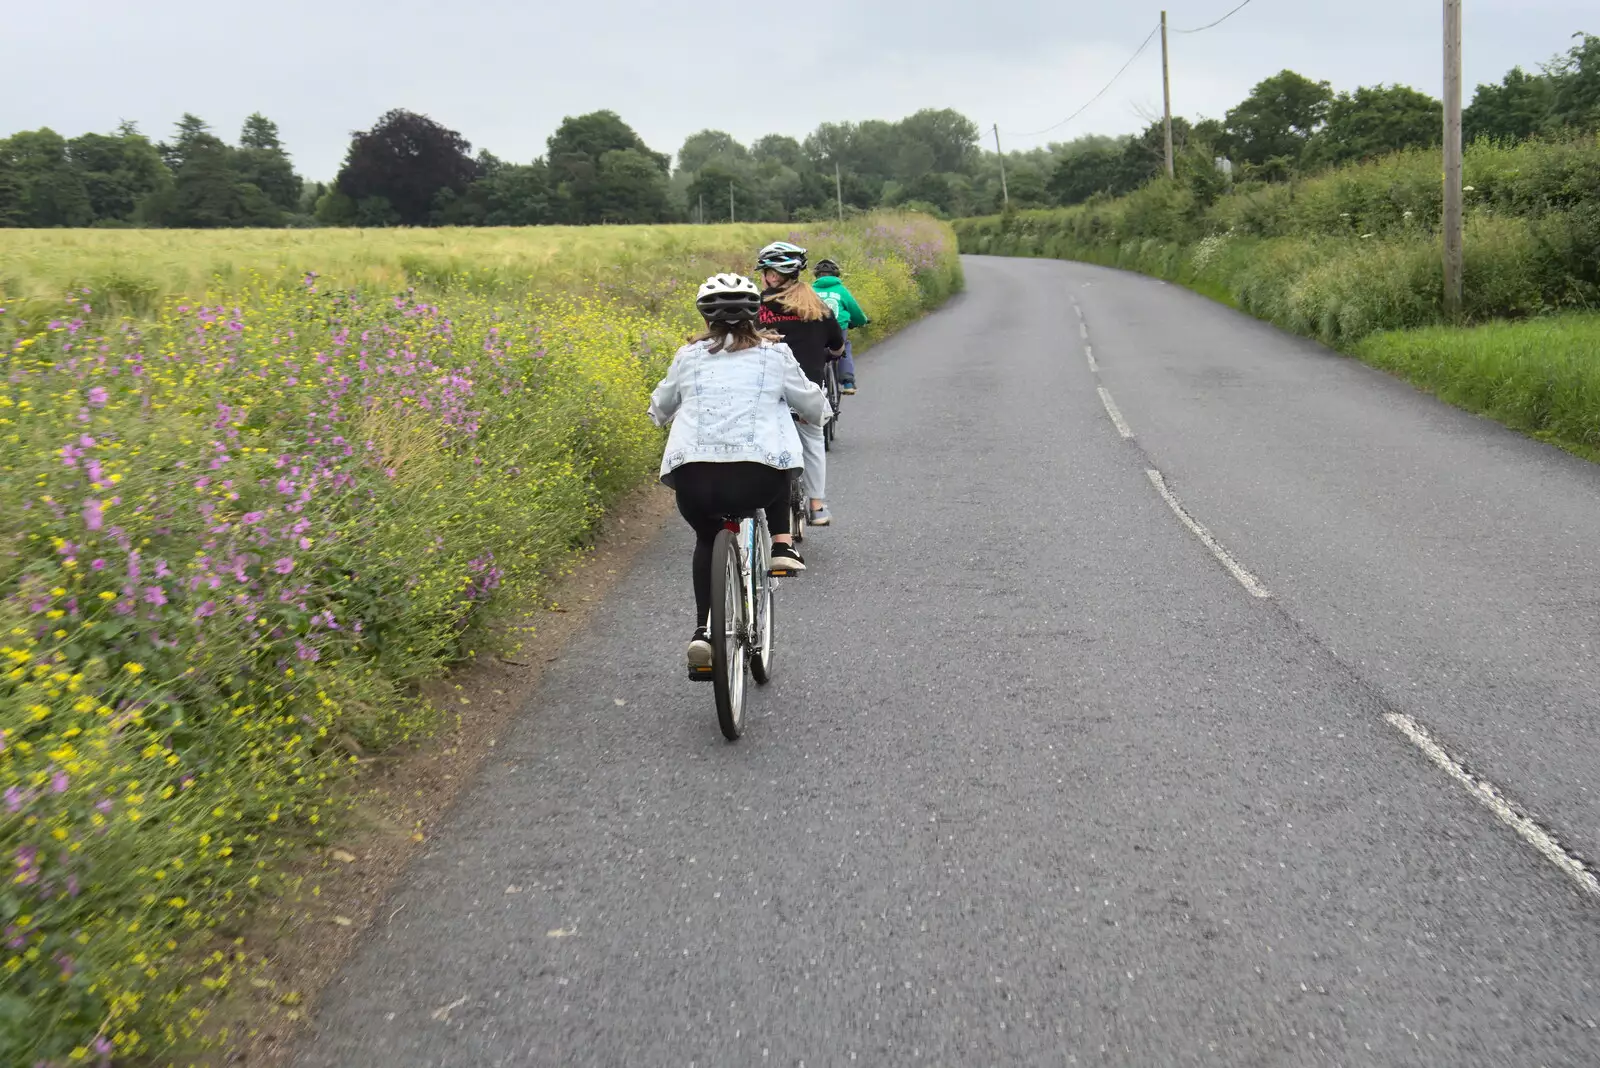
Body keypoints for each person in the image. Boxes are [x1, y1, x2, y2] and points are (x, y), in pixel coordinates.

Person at [649, 273, 826, 669]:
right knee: (777, 451)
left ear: (705, 317)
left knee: (707, 539)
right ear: (755, 314)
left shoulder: (687, 356)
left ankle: (704, 635)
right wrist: (818, 411)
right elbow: (810, 406)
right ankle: (782, 544)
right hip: (758, 481)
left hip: (695, 482)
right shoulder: (775, 354)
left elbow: (660, 407)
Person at [755, 241, 844, 526]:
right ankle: (817, 504)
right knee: (813, 440)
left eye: (765, 271)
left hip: (765, 389)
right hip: (806, 388)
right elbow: (837, 344)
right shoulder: (815, 305)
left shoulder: (757, 305)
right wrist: (830, 353)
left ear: (772, 275)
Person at [811, 258, 870, 395]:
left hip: (815, 329)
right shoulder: (841, 290)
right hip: (838, 328)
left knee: (813, 351)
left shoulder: (811, 290)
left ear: (817, 276)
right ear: (836, 275)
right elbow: (855, 311)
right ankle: (848, 382)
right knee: (844, 346)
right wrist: (862, 321)